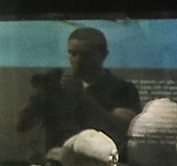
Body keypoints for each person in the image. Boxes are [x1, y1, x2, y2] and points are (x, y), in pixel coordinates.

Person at [17, 25, 140, 153]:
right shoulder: (57, 86)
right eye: (73, 53)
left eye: (86, 55)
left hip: (98, 160)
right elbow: (21, 126)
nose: (78, 60)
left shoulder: (123, 88)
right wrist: (37, 99)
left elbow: (122, 129)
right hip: (57, 159)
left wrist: (83, 98)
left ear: (103, 55)